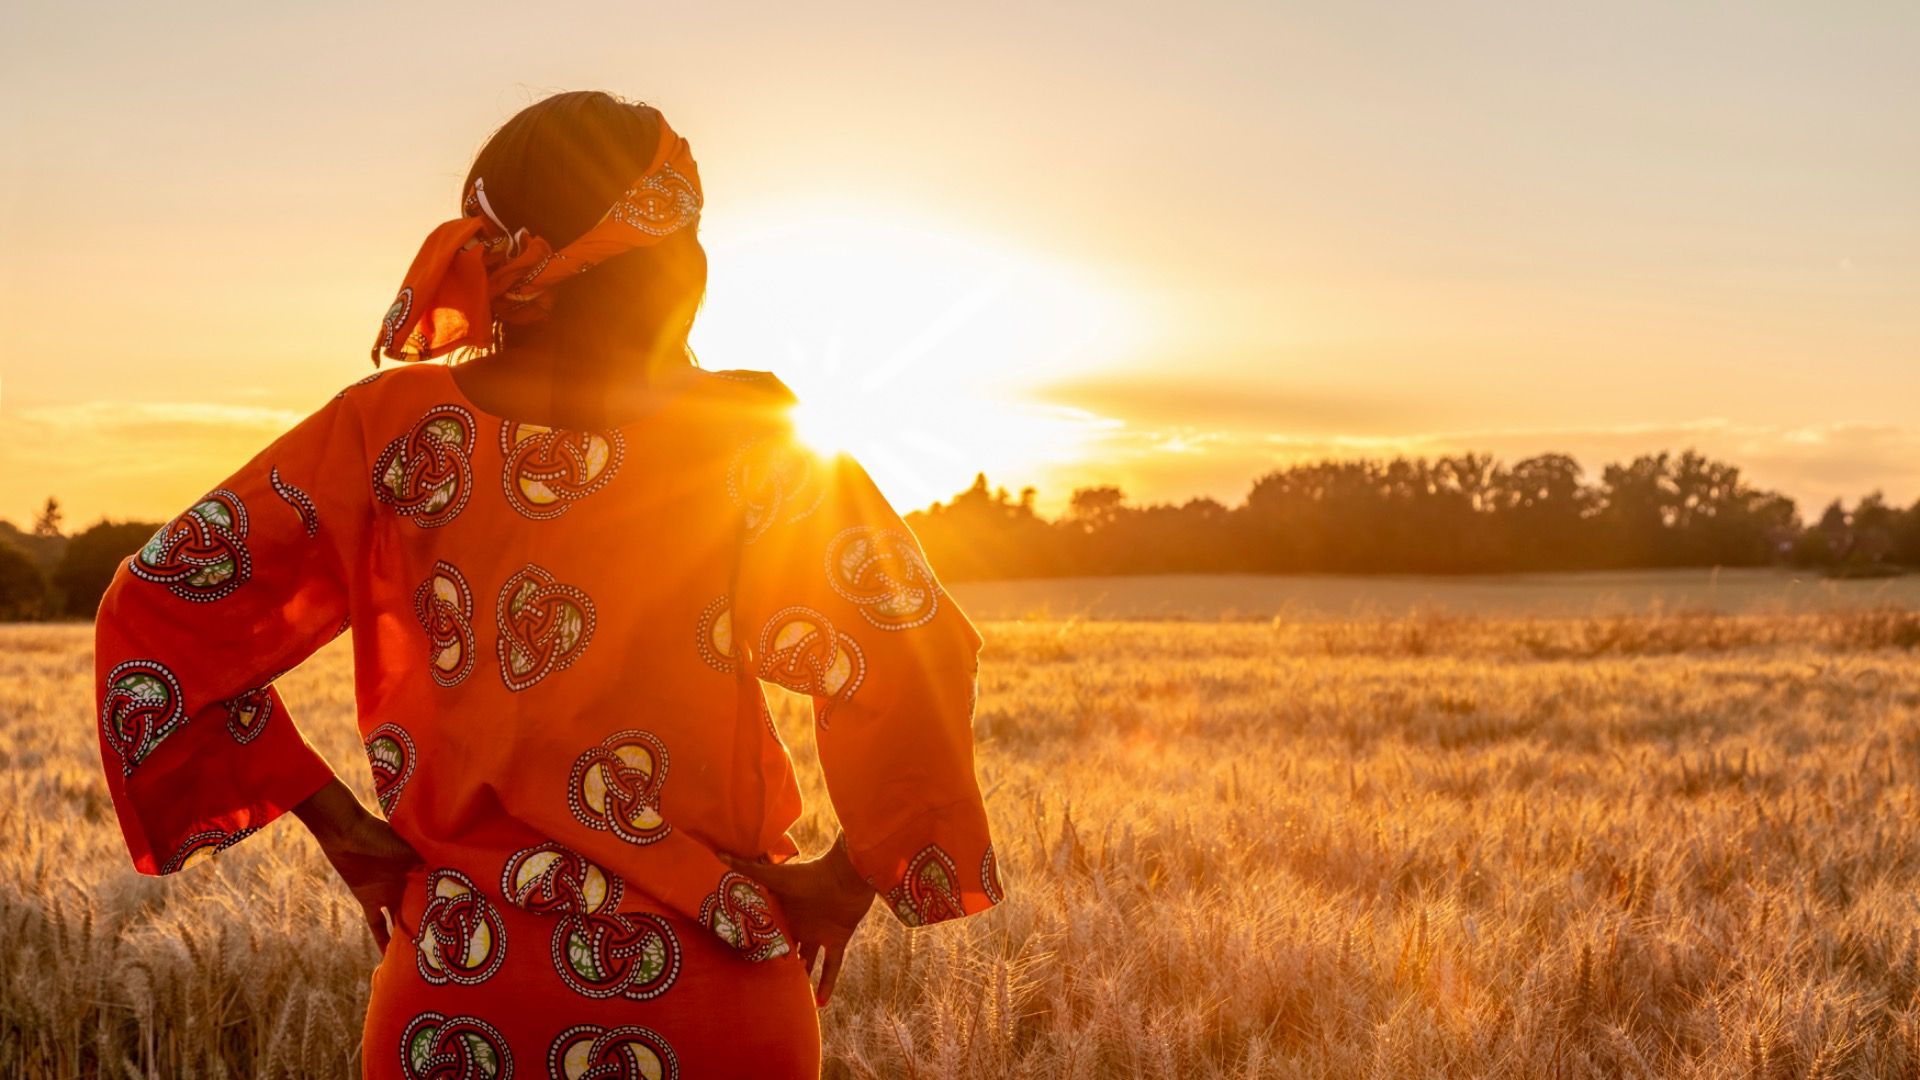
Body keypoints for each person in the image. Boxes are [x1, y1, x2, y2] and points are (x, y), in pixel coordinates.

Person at [91, 89, 1005, 1079]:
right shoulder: (749, 445)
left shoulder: (388, 428)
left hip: (458, 992)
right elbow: (914, 642)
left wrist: (341, 826)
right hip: (708, 1006)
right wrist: (850, 874)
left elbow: (162, 602)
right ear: (671, 262)